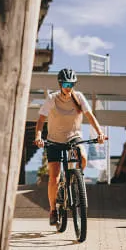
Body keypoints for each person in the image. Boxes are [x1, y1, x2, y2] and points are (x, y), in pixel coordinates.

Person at [34, 68, 107, 226]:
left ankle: (75, 180)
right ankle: (53, 209)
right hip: (54, 140)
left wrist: (100, 133)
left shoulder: (79, 97)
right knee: (54, 176)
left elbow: (90, 116)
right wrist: (38, 137)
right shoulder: (52, 98)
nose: (69, 87)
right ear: (60, 84)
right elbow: (41, 120)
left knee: (82, 157)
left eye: (72, 84)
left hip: (73, 137)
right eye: (66, 84)